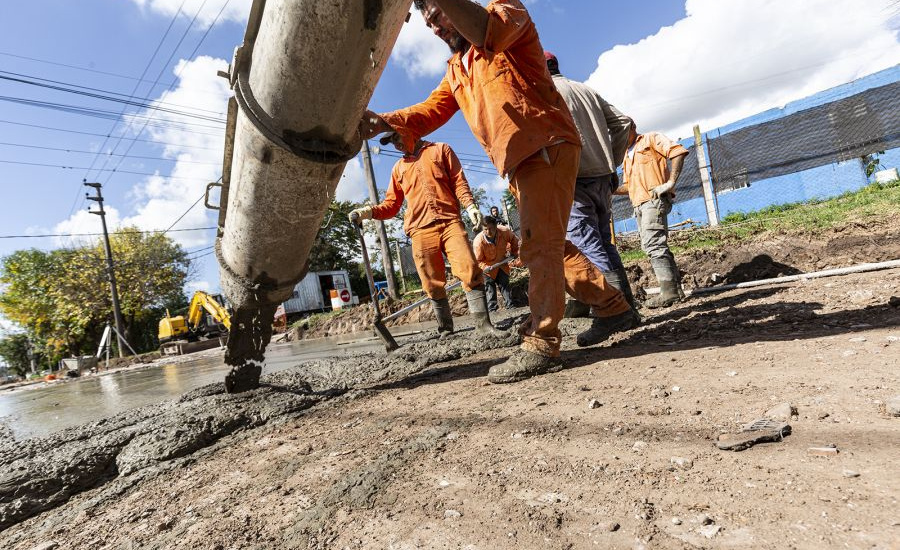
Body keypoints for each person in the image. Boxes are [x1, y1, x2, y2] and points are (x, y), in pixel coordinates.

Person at [358, 0, 638, 384]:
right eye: (428, 23)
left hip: (545, 145)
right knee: (546, 244)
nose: (436, 26)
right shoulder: (458, 68)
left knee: (541, 246)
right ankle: (612, 306)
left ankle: (541, 340)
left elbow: (491, 30)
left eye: (438, 15)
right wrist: (383, 121)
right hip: (520, 162)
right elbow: (430, 111)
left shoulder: (507, 16)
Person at [350, 134, 503, 338]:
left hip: (449, 221)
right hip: (420, 229)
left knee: (469, 267)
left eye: (397, 137)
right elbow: (391, 205)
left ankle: (484, 326)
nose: (396, 144)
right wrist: (367, 213)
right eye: (392, 142)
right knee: (431, 281)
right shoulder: (398, 169)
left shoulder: (441, 149)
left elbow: (459, 181)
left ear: (412, 129)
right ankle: (446, 330)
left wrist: (471, 206)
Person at [545, 51, 639, 314]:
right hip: (603, 177)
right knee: (604, 242)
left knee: (586, 243)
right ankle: (627, 305)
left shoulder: (546, 94)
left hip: (575, 179)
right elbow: (623, 122)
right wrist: (612, 159)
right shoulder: (586, 90)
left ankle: (614, 312)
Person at [616, 126, 690, 308]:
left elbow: (678, 152)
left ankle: (669, 292)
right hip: (639, 204)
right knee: (652, 244)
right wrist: (609, 189)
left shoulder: (650, 139)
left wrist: (670, 183)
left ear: (630, 127)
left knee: (653, 243)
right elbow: (628, 186)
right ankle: (675, 289)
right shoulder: (626, 155)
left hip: (654, 199)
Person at [473, 215, 519, 311]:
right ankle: (492, 310)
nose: (488, 232)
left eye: (490, 229)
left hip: (501, 263)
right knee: (490, 289)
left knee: (504, 285)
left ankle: (510, 307)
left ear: (496, 226)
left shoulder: (504, 231)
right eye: (485, 229)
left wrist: (514, 252)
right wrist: (484, 267)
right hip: (487, 269)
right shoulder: (478, 242)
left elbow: (514, 240)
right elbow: (477, 260)